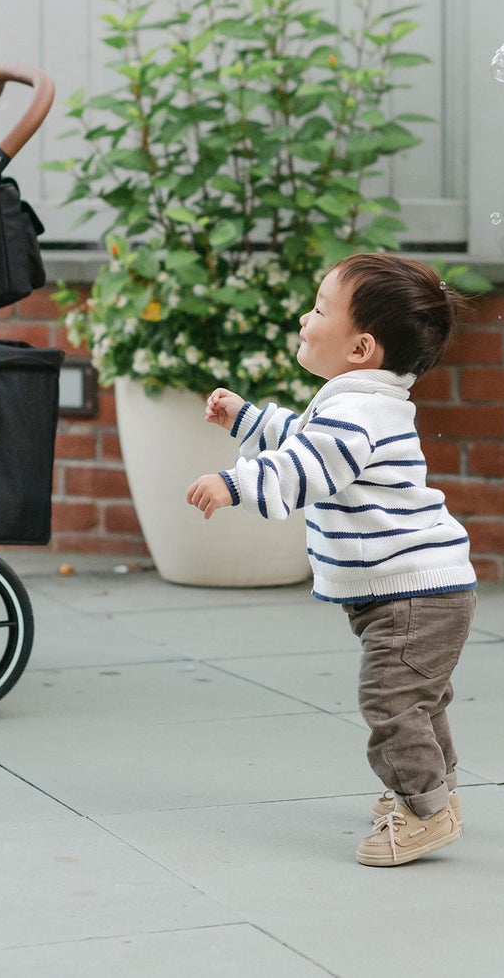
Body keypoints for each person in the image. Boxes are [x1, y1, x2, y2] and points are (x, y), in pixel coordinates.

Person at [186, 253, 475, 865]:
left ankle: (424, 812)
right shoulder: (358, 401)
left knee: (391, 702)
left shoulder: (356, 410)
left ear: (361, 347)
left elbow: (306, 466)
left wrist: (235, 484)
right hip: (416, 587)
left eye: (319, 310)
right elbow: (305, 438)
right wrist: (248, 420)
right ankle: (430, 793)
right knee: (418, 699)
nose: (303, 317)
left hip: (411, 592)